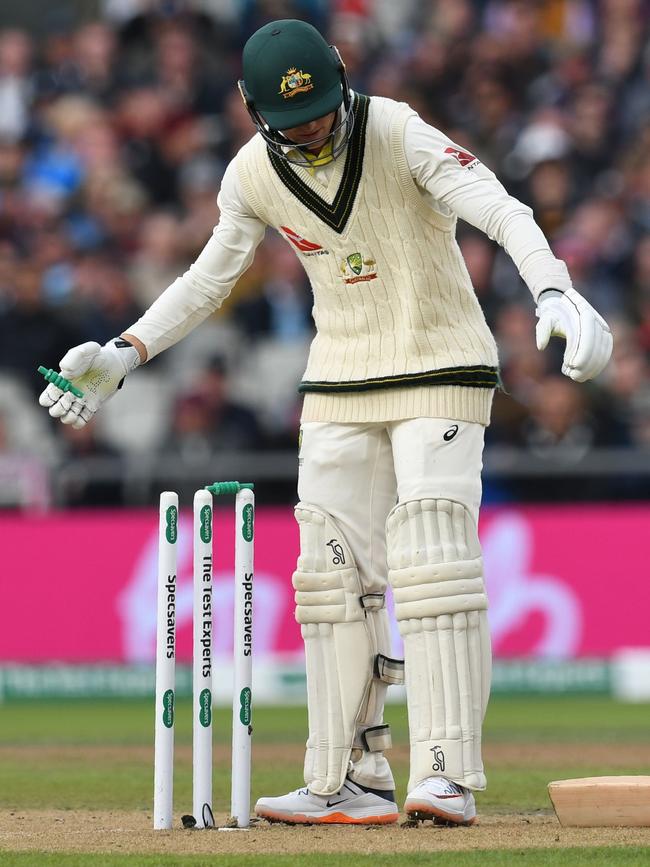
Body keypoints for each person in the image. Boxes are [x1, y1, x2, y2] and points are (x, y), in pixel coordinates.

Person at [39, 20, 612, 826]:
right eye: (292, 121)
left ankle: (447, 770)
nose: (312, 130)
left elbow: (500, 208)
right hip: (339, 376)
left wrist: (554, 288)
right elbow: (209, 279)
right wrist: (129, 350)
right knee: (328, 575)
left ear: (342, 81)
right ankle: (347, 772)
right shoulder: (250, 175)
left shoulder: (397, 129)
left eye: (322, 112)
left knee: (433, 556)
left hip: (440, 359)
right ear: (252, 110)